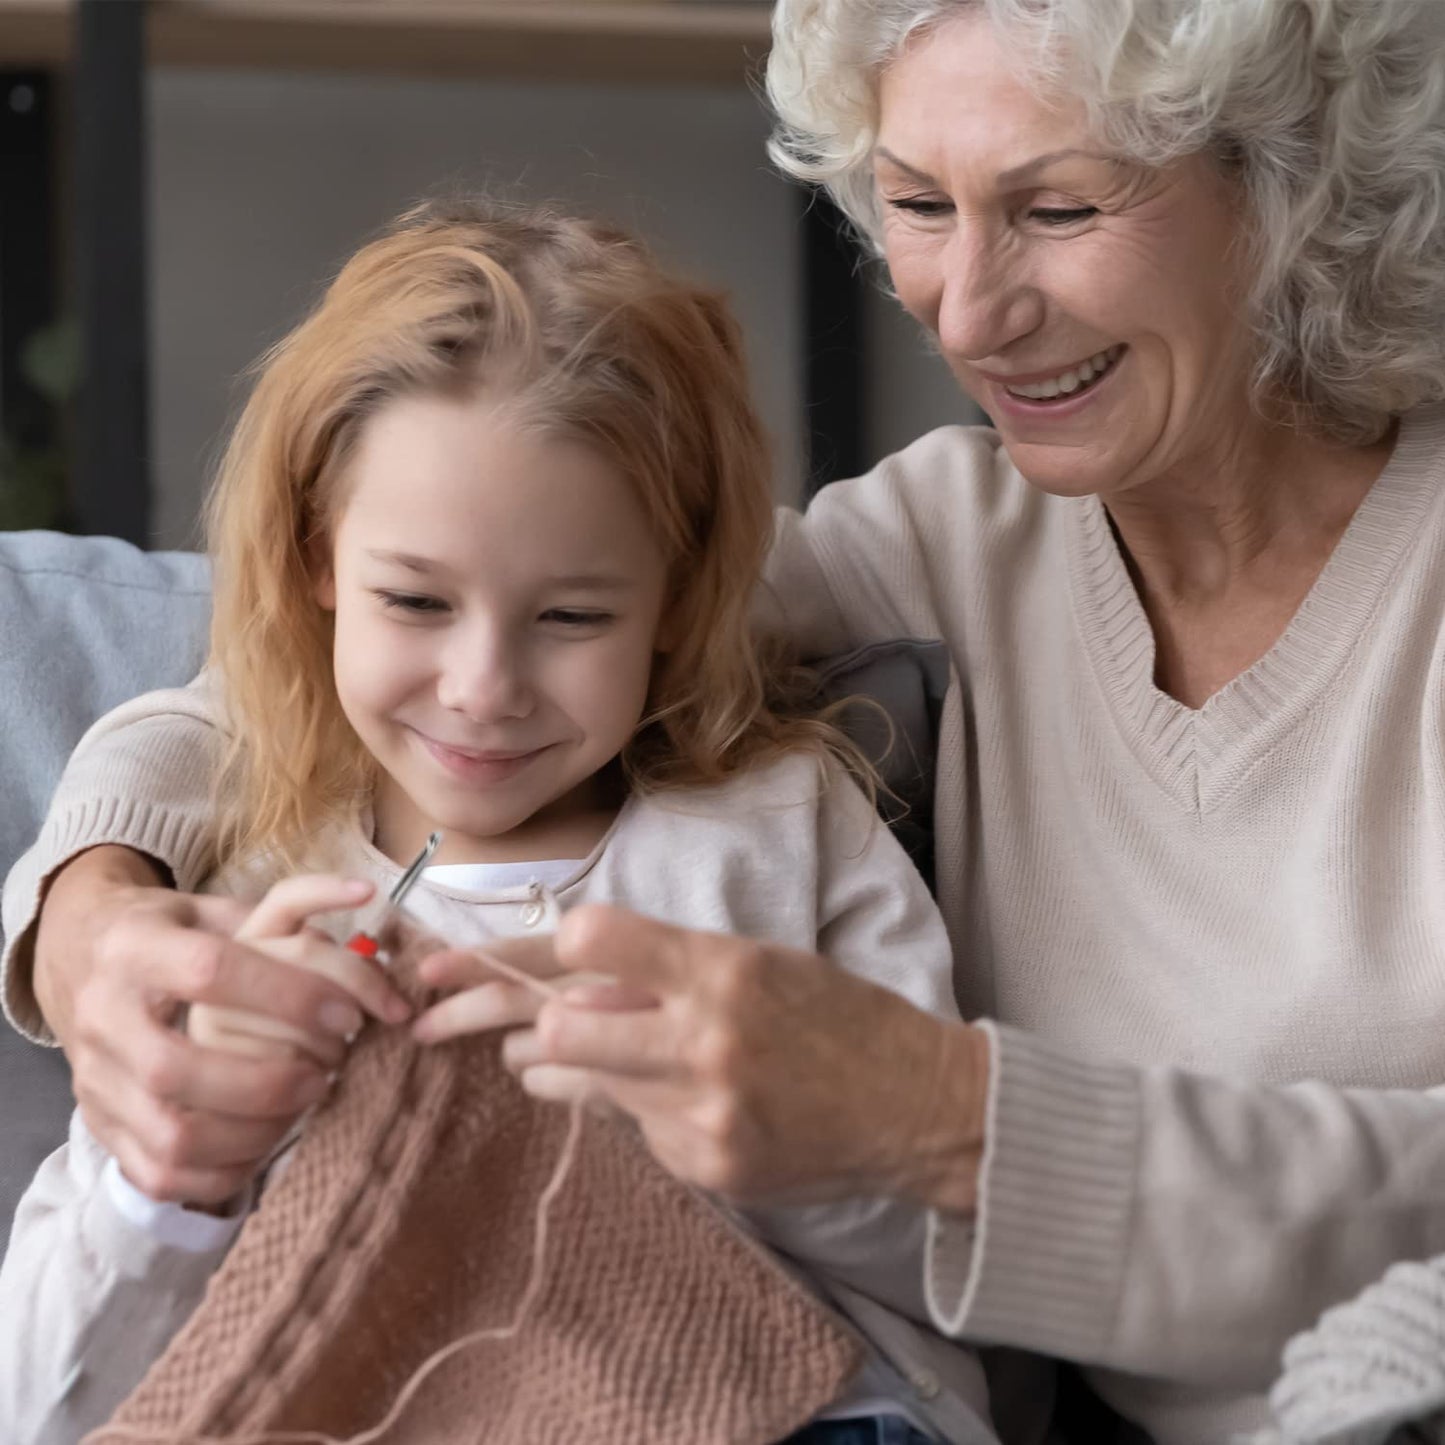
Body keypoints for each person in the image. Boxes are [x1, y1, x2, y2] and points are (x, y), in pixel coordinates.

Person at [7, 0, 1445, 1440]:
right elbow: (304, 674)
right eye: (917, 205)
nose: (964, 307)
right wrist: (92, 923)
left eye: (1059, 208)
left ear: (1289, 182)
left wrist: (938, 1113)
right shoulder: (940, 543)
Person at [0, 200, 995, 1445]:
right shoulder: (240, 897)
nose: (482, 686)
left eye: (570, 618)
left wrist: (688, 1110)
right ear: (317, 557)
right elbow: (41, 1398)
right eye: (415, 600)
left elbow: (948, 1265)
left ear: (678, 597)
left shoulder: (779, 833)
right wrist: (179, 1175)